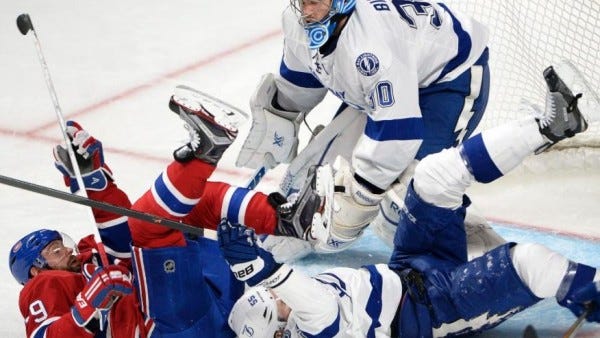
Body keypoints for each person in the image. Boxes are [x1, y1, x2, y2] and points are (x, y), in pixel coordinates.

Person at [218, 64, 600, 336]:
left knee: (432, 178)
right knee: (530, 262)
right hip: (436, 312)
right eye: (273, 302)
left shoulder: (293, 312)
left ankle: (550, 126)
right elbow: (314, 302)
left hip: (408, 270)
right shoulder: (313, 326)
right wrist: (263, 272)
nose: (274, 294)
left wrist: (252, 259)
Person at [8, 85, 321, 337]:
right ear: (36, 270)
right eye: (54, 250)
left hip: (208, 303)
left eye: (60, 242)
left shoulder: (90, 256)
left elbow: (121, 242)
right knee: (149, 227)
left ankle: (286, 220)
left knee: (191, 204)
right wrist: (85, 306)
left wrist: (96, 182)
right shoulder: (43, 286)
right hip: (168, 326)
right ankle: (206, 151)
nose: (66, 248)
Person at [235, 0, 494, 253]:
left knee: (406, 211)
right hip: (393, 78)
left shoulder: (371, 45)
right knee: (310, 194)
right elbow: (302, 85)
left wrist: (360, 196)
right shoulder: (297, 22)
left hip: (447, 80)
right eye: (302, 2)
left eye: (313, 2)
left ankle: (478, 253)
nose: (306, 12)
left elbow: (397, 135)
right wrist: (279, 115)